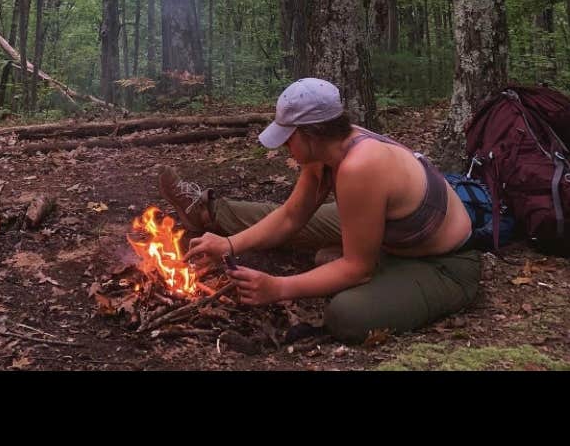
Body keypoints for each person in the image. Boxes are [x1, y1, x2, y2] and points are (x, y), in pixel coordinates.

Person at [158, 78, 481, 345]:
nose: (285, 147)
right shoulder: (324, 154)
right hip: (387, 230)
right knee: (298, 229)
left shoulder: (359, 166)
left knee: (346, 315)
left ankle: (358, 266)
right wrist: (230, 245)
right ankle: (206, 213)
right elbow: (290, 217)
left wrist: (278, 287)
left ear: (311, 134)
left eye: (288, 139)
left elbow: (359, 269)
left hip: (445, 265)